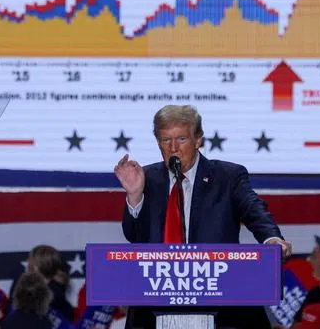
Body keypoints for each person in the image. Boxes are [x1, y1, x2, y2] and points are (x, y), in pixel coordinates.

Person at [113, 104, 291, 329]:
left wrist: (271, 239)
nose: (174, 148)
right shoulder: (145, 177)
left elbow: (254, 209)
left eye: (182, 139)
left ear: (198, 140)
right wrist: (135, 196)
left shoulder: (227, 176)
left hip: (222, 299)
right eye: (166, 140)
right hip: (157, 300)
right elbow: (133, 236)